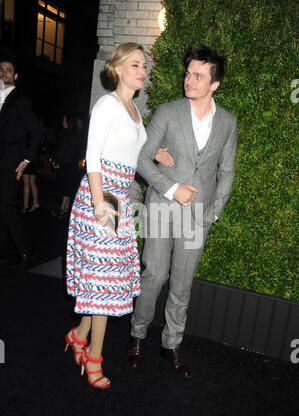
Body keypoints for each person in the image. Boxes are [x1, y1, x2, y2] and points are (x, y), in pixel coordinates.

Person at [64, 42, 170, 390]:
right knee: (106, 284)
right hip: (100, 197)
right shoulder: (108, 103)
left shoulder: (134, 110)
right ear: (119, 68)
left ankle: (78, 336)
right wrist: (99, 204)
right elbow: (93, 155)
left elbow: (131, 152)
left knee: (104, 280)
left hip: (120, 199)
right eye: (136, 65)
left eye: (144, 67)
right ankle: (93, 357)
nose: (143, 72)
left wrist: (157, 153)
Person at [128, 45, 238, 378]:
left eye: (198, 76)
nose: (189, 80)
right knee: (154, 275)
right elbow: (143, 158)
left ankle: (171, 344)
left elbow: (227, 171)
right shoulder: (167, 111)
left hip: (197, 217)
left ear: (214, 83)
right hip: (162, 206)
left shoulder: (228, 123)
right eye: (188, 73)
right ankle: (137, 334)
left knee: (182, 284)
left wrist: (214, 212)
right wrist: (173, 189)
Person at [0, 59, 43, 267]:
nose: (4, 73)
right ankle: (6, 251)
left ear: (15, 76)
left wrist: (27, 159)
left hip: (11, 161)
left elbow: (37, 131)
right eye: (1, 69)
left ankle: (28, 251)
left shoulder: (20, 101)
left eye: (9, 70)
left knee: (6, 206)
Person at [52, 115, 86, 219]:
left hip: (70, 165)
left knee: (66, 187)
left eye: (65, 121)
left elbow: (66, 150)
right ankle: (64, 209)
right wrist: (56, 160)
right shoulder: (66, 133)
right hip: (65, 164)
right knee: (65, 186)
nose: (63, 123)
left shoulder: (74, 135)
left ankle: (63, 210)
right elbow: (60, 149)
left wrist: (58, 159)